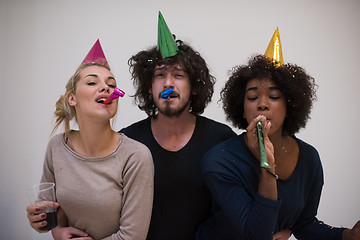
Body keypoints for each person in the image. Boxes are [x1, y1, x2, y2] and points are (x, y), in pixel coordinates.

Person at [196, 29, 360, 240]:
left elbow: (304, 224)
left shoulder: (309, 158)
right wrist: (267, 166)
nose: (262, 104)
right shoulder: (219, 160)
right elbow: (258, 234)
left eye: (273, 96)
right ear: (242, 108)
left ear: (290, 105)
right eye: (253, 97)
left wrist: (347, 236)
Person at [119, 12, 236, 240]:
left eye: (178, 75)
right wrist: (58, 225)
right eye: (160, 75)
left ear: (193, 87)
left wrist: (281, 225)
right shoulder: (127, 142)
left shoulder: (222, 140)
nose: (168, 83)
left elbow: (247, 199)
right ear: (149, 88)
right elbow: (101, 201)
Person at [26, 39, 154, 240]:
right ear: (72, 98)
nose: (106, 88)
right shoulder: (57, 146)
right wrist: (48, 227)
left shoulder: (136, 156)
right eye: (92, 82)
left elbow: (133, 236)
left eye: (111, 84)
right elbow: (49, 212)